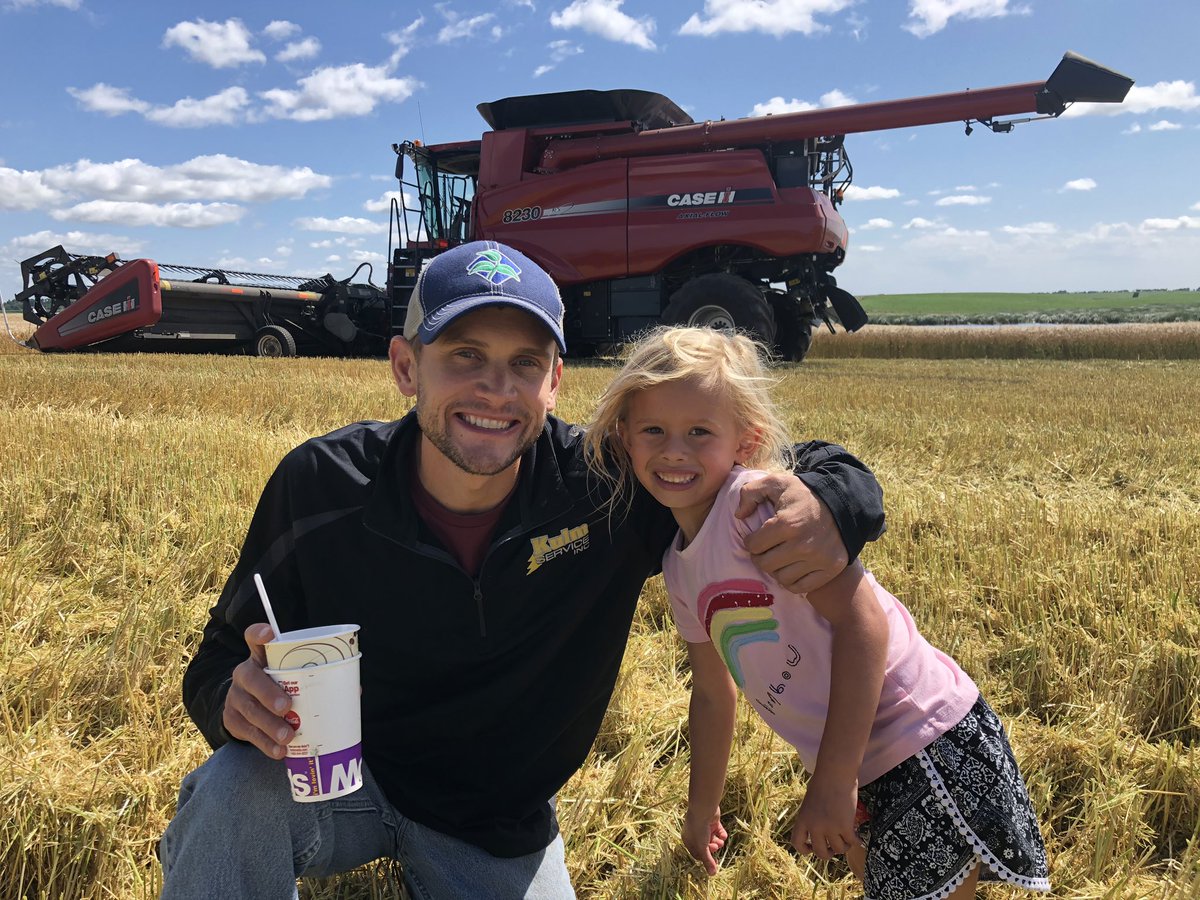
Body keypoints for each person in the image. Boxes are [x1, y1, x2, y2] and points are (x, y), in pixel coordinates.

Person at [159, 241, 886, 899]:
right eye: (465, 357)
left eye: (524, 365)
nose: (495, 390)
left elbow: (796, 464)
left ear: (555, 383)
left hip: (493, 823)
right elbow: (218, 662)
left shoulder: (611, 491)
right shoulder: (319, 485)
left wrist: (829, 500)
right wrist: (232, 698)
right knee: (230, 794)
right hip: (345, 778)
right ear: (407, 367)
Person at [583, 326, 1050, 899]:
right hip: (860, 758)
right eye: (653, 430)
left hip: (920, 737)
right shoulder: (679, 570)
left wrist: (833, 780)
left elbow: (864, 622)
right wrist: (701, 808)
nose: (674, 450)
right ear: (625, 436)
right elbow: (711, 692)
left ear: (746, 441)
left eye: (699, 432)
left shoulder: (756, 512)